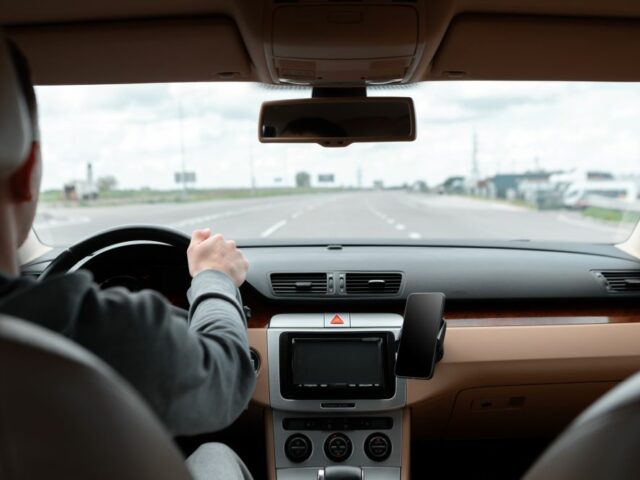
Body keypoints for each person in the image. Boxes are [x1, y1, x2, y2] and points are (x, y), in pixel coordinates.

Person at [0, 38, 255, 479]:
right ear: (27, 171)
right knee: (214, 455)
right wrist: (214, 278)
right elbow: (226, 377)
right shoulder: (99, 331)